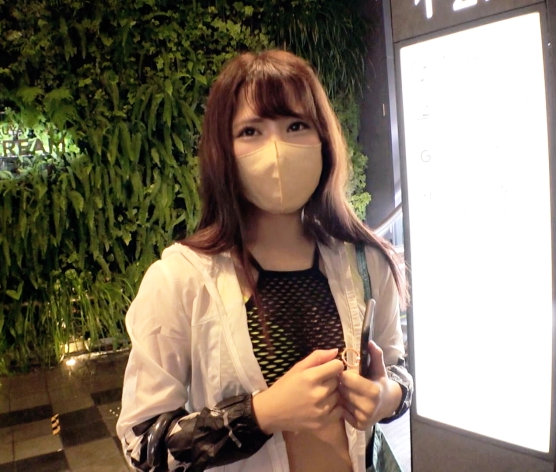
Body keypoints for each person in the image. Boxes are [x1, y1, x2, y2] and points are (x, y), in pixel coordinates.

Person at [116, 49, 413, 472]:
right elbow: (141, 444)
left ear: (324, 138)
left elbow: (398, 369)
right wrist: (260, 414)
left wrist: (385, 397)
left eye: (296, 125)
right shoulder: (180, 279)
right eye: (251, 131)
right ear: (222, 150)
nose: (276, 150)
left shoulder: (365, 262)